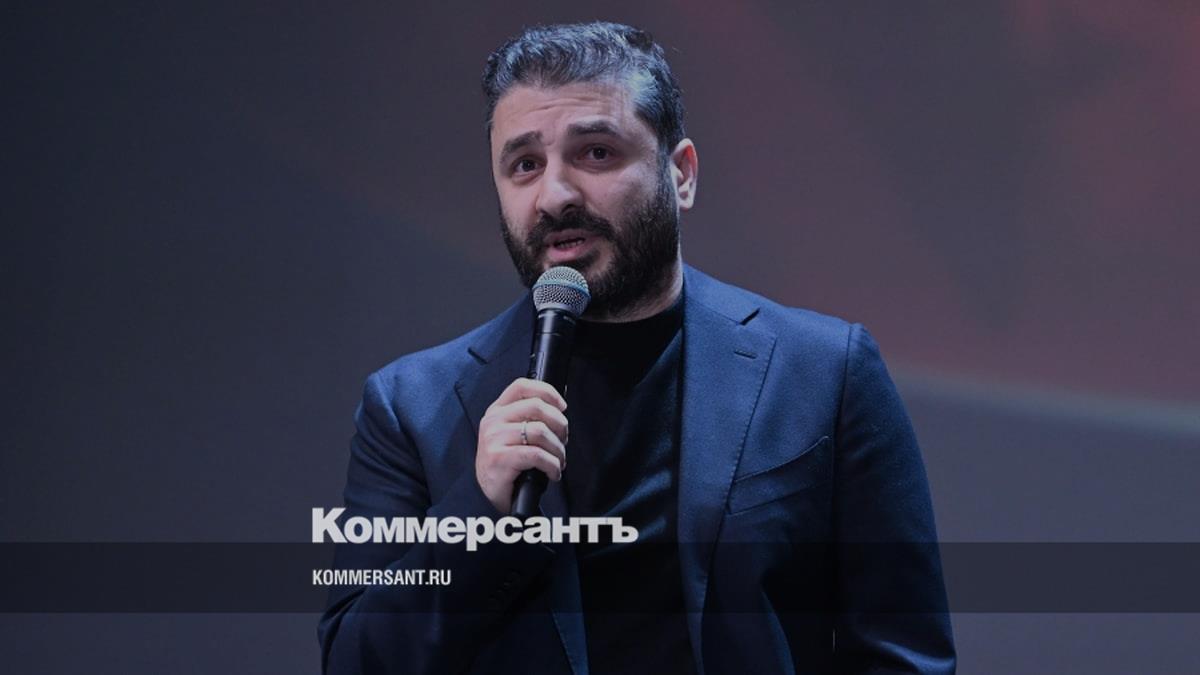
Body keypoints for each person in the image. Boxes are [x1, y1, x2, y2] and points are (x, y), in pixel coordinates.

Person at [319, 21, 955, 675]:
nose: (555, 196)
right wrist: (479, 514)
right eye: (525, 165)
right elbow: (355, 662)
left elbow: (903, 655)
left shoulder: (824, 372)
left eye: (595, 153)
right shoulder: (410, 406)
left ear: (680, 174)